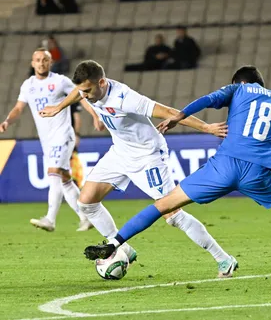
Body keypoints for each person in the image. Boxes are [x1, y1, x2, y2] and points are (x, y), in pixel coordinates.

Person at [83, 65, 271, 278]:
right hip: (260, 173)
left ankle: (114, 243)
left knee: (164, 206)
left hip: (224, 167)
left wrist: (179, 116)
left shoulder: (237, 90)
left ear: (239, 83)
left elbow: (207, 100)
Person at [39, 60, 238, 278]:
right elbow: (77, 93)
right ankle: (122, 247)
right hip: (120, 153)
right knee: (86, 202)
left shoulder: (125, 98)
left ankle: (223, 259)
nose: (84, 96)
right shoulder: (89, 91)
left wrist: (206, 127)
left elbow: (168, 111)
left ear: (102, 82)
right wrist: (58, 108)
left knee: (173, 215)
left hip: (148, 157)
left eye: (88, 90)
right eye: (82, 91)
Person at [0, 48, 101, 231]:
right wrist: (8, 121)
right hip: (46, 139)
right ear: (32, 63)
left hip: (63, 134)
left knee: (53, 171)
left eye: (45, 60)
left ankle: (50, 219)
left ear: (50, 62)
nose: (41, 63)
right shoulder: (27, 85)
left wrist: (95, 115)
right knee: (64, 179)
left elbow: (81, 96)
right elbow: (18, 108)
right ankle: (85, 217)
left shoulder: (60, 81)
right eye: (37, 60)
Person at [70, 103, 85, 188]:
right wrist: (77, 134)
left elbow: (77, 118)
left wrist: (76, 134)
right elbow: (77, 118)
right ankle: (74, 184)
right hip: (68, 136)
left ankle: (74, 184)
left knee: (71, 160)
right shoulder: (71, 98)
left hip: (67, 137)